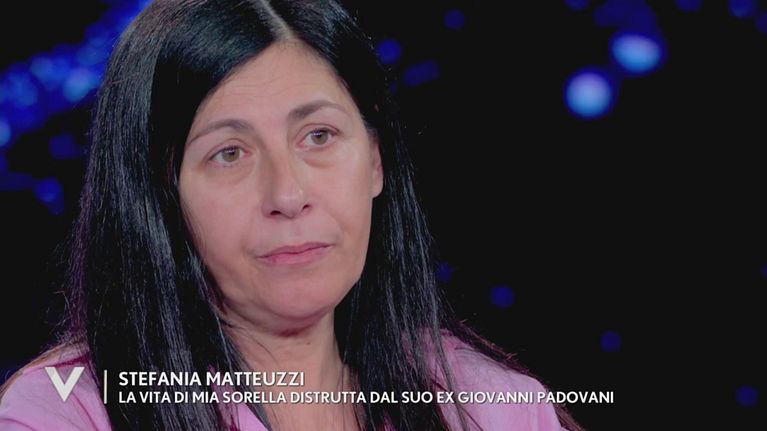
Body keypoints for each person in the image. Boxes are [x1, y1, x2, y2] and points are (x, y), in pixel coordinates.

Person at [0, 1, 583, 430]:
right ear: (158, 191)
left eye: (319, 136)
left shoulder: (493, 408)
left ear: (375, 158)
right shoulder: (62, 412)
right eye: (230, 153)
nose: (288, 193)